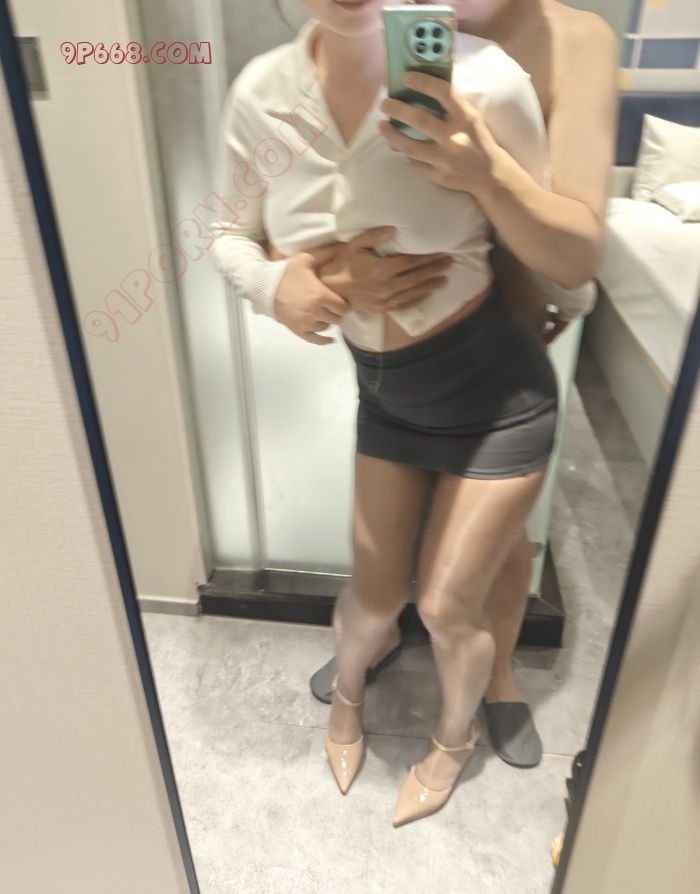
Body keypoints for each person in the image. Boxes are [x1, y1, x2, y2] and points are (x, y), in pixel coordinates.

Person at [210, 0, 617, 827]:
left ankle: (469, 714)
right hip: (390, 391)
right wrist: (289, 285)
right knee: (378, 591)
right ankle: (359, 683)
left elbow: (574, 254)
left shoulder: (507, 68)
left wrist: (494, 187)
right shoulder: (269, 89)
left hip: (501, 381)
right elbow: (244, 230)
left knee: (455, 594)